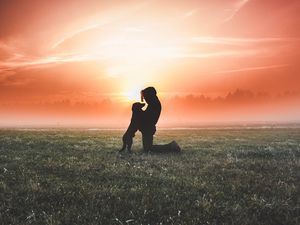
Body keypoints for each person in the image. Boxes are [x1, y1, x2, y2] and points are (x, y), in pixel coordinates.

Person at [139, 87, 181, 153]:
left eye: (145, 97)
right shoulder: (153, 103)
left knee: (148, 149)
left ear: (149, 96)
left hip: (148, 128)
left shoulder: (153, 104)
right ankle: (171, 146)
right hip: (148, 128)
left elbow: (148, 117)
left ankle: (171, 146)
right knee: (147, 148)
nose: (144, 99)